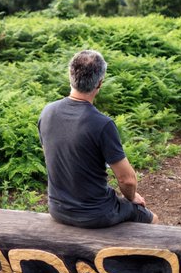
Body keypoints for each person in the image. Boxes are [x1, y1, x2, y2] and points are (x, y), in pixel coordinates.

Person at [37, 49, 158, 227]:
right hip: (95, 214)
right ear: (99, 83)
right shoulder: (102, 124)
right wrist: (132, 198)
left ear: (70, 76)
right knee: (152, 220)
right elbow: (127, 179)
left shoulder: (47, 112)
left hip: (57, 209)